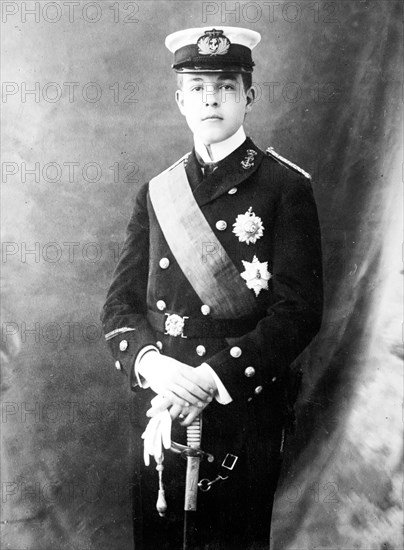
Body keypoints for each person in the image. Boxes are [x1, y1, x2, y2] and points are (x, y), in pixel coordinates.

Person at [101, 26, 323, 549]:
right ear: (181, 101)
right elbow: (119, 307)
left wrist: (209, 379)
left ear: (248, 95)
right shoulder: (156, 193)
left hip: (239, 407)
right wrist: (152, 366)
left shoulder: (285, 188)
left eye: (225, 86)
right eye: (198, 88)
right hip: (159, 406)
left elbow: (299, 310)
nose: (211, 99)